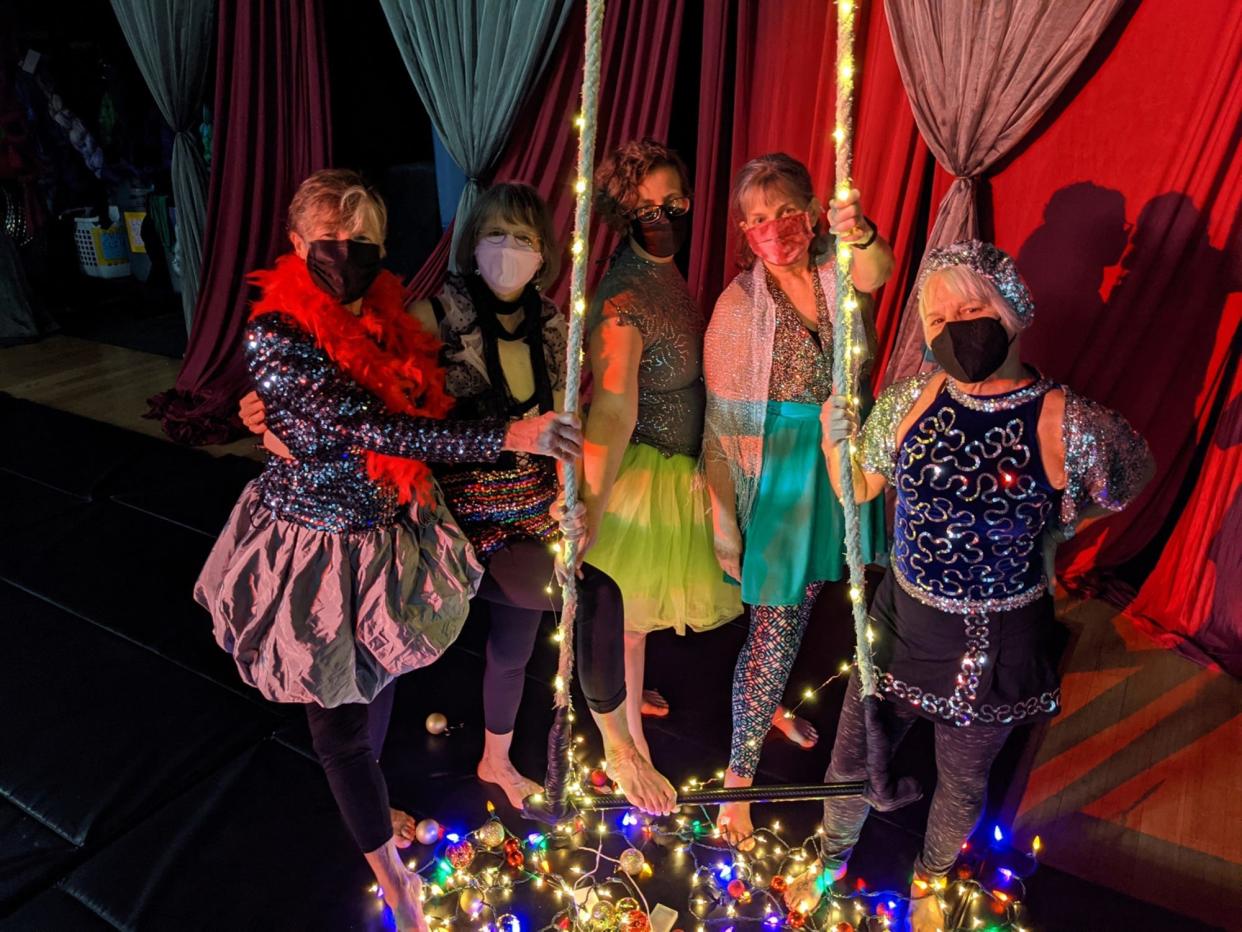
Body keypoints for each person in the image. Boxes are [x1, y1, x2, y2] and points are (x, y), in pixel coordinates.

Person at [199, 169, 578, 932]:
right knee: (335, 719)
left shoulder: (387, 318)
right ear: (298, 244)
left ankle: (381, 802)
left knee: (380, 672)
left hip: (388, 532)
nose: (347, 255)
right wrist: (508, 435)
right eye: (330, 243)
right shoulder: (275, 334)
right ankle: (392, 878)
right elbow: (371, 426)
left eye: (363, 243)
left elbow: (409, 398)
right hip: (312, 548)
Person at [239, 181, 676, 815]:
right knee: (393, 653)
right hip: (452, 521)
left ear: (543, 252)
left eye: (524, 239)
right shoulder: (430, 316)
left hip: (531, 511)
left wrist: (571, 498)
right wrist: (266, 413)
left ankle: (496, 760)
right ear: (472, 244)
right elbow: (361, 398)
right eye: (496, 235)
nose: (509, 249)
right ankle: (618, 747)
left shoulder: (556, 325)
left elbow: (563, 421)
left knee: (520, 641)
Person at [814, 239, 1153, 931]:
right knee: (850, 758)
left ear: (1011, 310)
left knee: (963, 782)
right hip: (899, 621)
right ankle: (827, 855)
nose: (955, 330)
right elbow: (857, 488)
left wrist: (1059, 528)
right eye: (937, 321)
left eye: (971, 309)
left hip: (993, 647)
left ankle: (931, 876)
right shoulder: (911, 398)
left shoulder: (1068, 418)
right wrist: (830, 442)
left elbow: (1129, 476)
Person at [702, 153, 894, 845]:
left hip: (841, 449)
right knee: (775, 626)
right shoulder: (736, 305)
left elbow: (877, 273)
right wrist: (728, 519)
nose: (771, 229)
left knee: (820, 600)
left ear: (810, 211)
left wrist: (861, 231)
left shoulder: (836, 264)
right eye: (755, 220)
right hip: (780, 471)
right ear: (742, 232)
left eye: (782, 212)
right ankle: (737, 786)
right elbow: (722, 428)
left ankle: (776, 705)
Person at [569, 139, 742, 764]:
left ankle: (631, 733)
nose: (664, 215)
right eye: (647, 207)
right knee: (627, 622)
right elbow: (612, 410)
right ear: (623, 214)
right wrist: (590, 503)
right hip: (642, 473)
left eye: (674, 201)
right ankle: (627, 753)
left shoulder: (665, 274)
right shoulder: (622, 298)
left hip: (684, 463)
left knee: (636, 624)